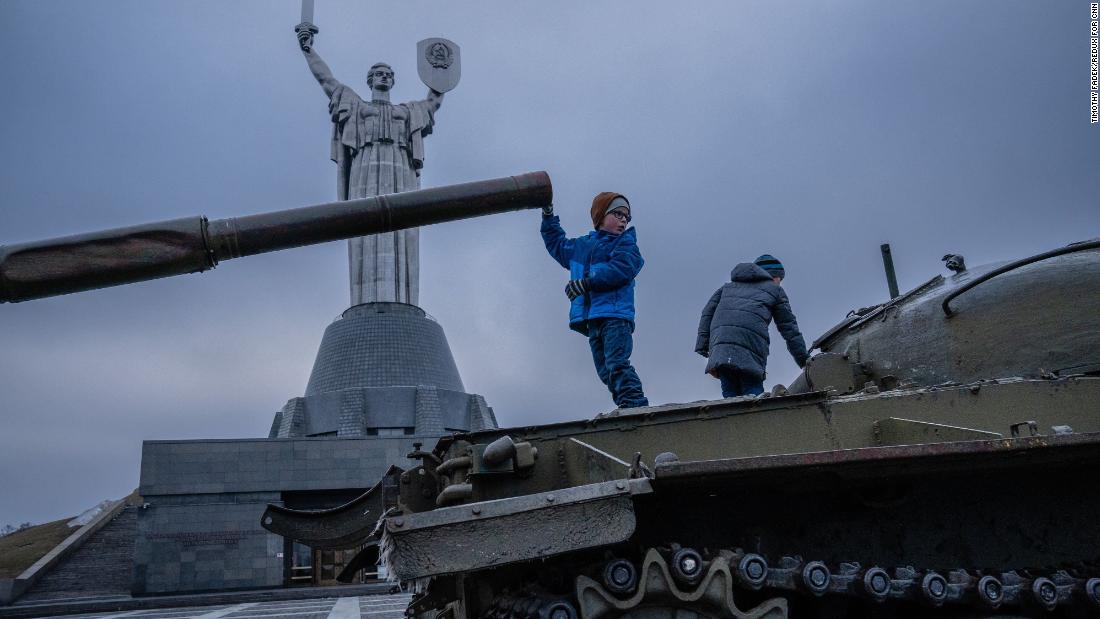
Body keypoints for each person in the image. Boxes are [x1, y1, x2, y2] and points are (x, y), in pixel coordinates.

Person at [296, 23, 444, 306]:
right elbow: (326, 81)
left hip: (401, 172)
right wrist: (308, 50)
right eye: (379, 73)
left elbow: (434, 100)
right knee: (365, 230)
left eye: (388, 74)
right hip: (365, 170)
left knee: (404, 231)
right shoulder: (357, 106)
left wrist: (440, 70)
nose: (384, 77)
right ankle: (364, 303)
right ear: (369, 79)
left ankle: (404, 302)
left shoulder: (407, 112)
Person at [541, 194, 649, 409]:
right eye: (618, 214)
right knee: (605, 371)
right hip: (593, 320)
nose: (623, 221)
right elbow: (557, 244)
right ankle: (626, 406)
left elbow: (620, 270)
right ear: (601, 215)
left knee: (617, 364)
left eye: (626, 217)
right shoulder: (582, 247)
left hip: (616, 316)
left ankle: (636, 406)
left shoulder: (626, 246)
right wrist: (548, 215)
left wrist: (587, 284)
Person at [695, 254, 809, 397]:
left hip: (721, 348)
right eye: (780, 279)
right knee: (753, 393)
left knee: (730, 396)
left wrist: (703, 346)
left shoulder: (727, 288)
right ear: (774, 277)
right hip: (749, 347)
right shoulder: (775, 290)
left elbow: (707, 313)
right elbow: (789, 329)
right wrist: (804, 361)